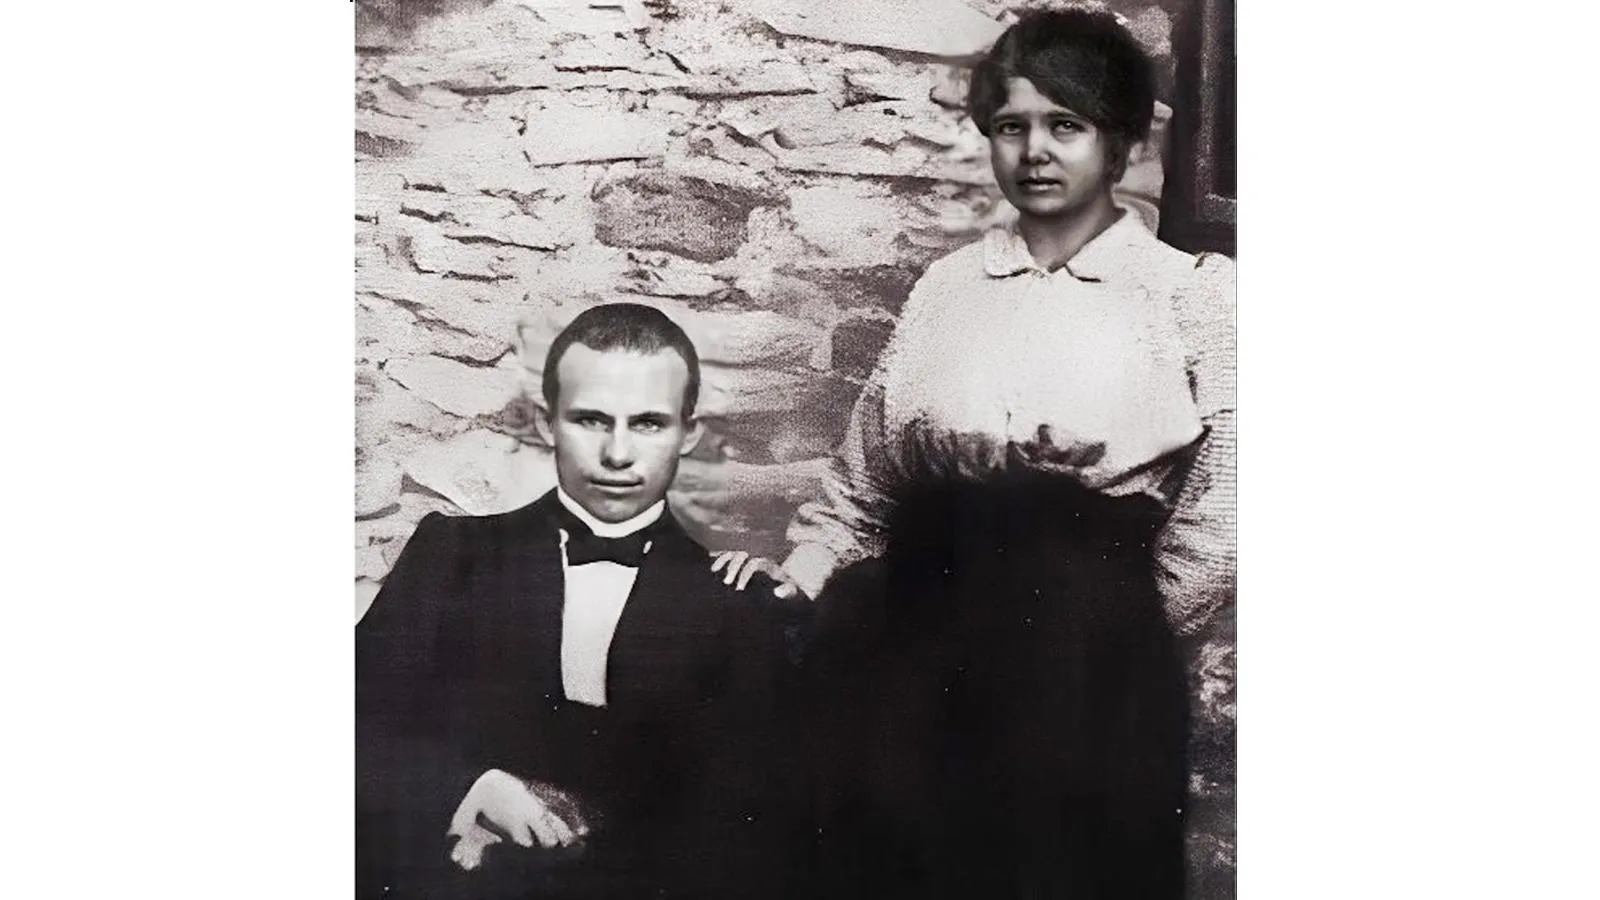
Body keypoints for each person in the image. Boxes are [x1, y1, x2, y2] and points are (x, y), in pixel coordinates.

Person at [712, 7, 1235, 899]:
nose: (1035, 152)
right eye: (1010, 126)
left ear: (1119, 142)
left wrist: (1122, 629)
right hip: (914, 657)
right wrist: (801, 576)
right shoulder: (946, 290)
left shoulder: (1189, 294)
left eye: (1066, 125)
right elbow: (865, 483)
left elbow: (1229, 506)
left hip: (1088, 668)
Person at [357, 303, 807, 900]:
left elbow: (767, 828)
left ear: (690, 433)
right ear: (548, 424)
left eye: (648, 423)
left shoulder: (746, 602)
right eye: (591, 420)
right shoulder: (451, 556)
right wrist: (468, 788)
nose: (617, 454)